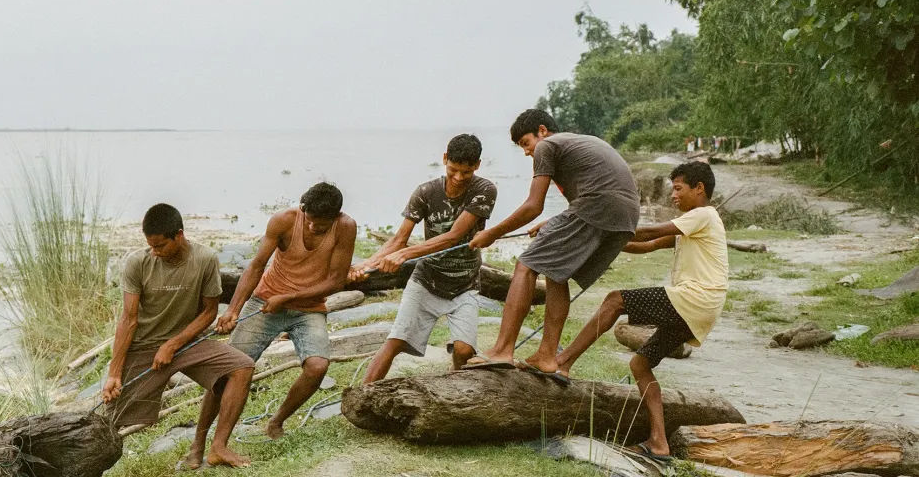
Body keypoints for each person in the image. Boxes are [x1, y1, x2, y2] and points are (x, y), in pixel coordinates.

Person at [550, 160, 728, 462]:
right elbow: (645, 246)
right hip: (701, 309)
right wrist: (601, 241)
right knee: (640, 365)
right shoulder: (695, 223)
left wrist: (599, 224)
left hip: (694, 299)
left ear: (699, 189)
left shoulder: (702, 215)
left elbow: (646, 233)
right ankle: (659, 442)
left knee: (614, 300)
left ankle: (562, 363)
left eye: (678, 189)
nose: (673, 195)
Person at [468, 108, 641, 377]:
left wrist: (493, 233)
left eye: (526, 143)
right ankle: (547, 356)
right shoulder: (574, 143)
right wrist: (553, 223)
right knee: (556, 274)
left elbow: (533, 206)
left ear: (542, 131)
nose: (527, 152)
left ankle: (502, 350)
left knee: (526, 266)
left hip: (599, 206)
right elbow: (592, 189)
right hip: (626, 217)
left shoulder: (546, 146)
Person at [103, 203, 257, 468]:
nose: (155, 252)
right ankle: (92, 474)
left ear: (179, 235)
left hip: (188, 343)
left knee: (242, 367)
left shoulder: (205, 258)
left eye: (160, 245)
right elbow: (128, 319)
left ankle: (215, 447)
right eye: (151, 245)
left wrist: (173, 344)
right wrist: (114, 373)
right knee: (112, 418)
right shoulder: (137, 262)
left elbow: (209, 312)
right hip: (143, 347)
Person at [350, 135, 497, 383]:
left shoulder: (484, 190)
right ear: (444, 160)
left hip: (465, 285)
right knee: (395, 341)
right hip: (426, 280)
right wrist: (366, 264)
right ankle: (363, 393)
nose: (459, 177)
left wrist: (404, 254)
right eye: (453, 170)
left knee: (464, 351)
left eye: (466, 172)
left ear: (478, 166)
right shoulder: (426, 192)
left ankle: (454, 388)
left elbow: (453, 236)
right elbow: (398, 239)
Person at [216, 182, 357, 438]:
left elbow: (336, 281)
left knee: (317, 367)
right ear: (303, 207)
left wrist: (289, 297)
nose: (313, 227)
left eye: (321, 225)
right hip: (265, 302)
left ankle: (276, 421)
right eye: (310, 219)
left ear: (336, 217)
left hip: (309, 309)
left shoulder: (346, 227)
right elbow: (256, 266)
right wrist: (233, 310)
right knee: (229, 368)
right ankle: (209, 440)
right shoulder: (284, 220)